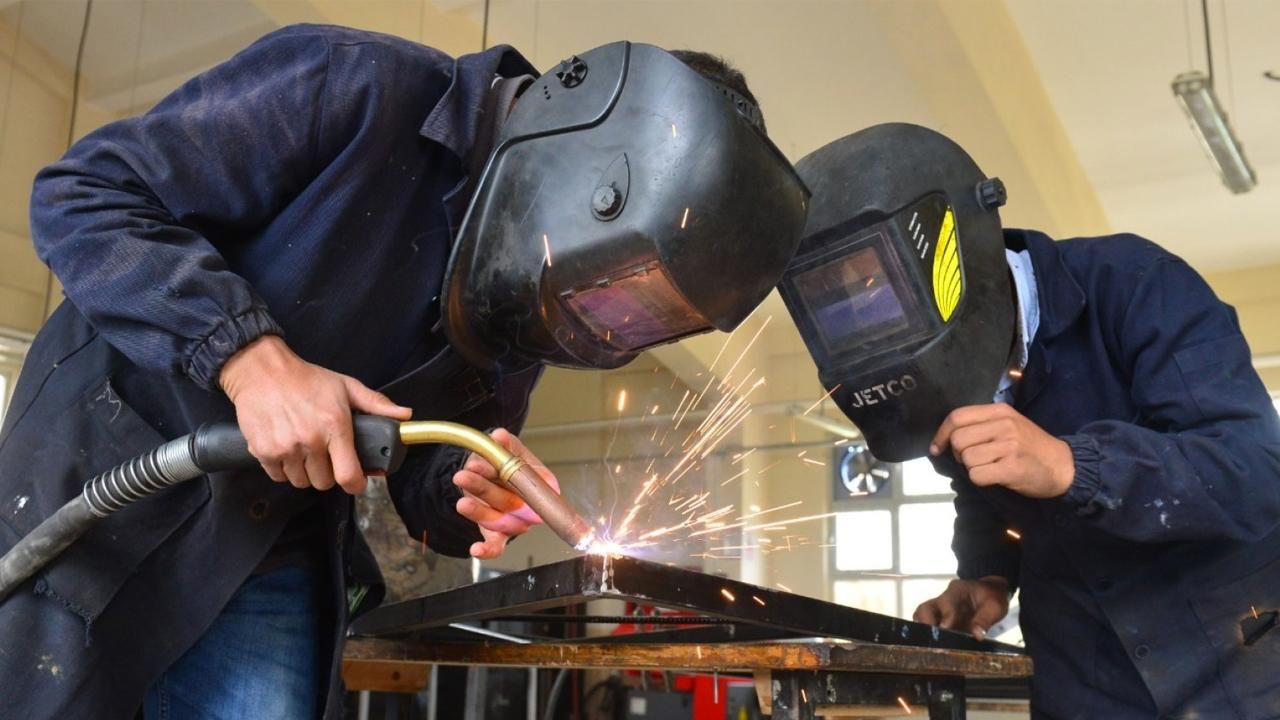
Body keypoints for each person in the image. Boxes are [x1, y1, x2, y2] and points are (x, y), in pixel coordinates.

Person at [0, 24, 807, 719]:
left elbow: (425, 470)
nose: (606, 322)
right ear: (594, 162)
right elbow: (86, 194)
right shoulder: (354, 85)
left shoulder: (540, 287)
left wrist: (466, 491)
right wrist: (250, 359)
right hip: (97, 491)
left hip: (270, 550)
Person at [780, 123, 1280, 718]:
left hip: (1243, 673)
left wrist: (1072, 464)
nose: (862, 306)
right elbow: (980, 489)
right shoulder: (934, 372)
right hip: (1086, 685)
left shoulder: (1135, 284)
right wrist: (987, 575)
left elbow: (1252, 472)